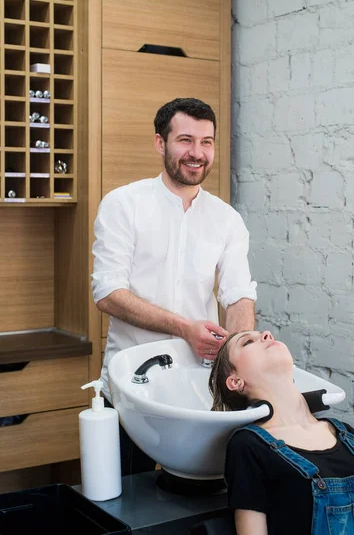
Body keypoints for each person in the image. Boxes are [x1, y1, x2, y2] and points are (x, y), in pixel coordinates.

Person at [91, 97, 257, 475]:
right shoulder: (123, 205)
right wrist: (184, 328)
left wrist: (243, 351)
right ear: (159, 143)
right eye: (185, 140)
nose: (196, 153)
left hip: (200, 386)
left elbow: (237, 294)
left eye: (206, 142)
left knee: (200, 499)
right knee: (131, 504)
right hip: (132, 386)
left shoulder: (227, 220)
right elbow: (107, 293)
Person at [209, 330, 354, 535]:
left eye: (264, 334)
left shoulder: (345, 434)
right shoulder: (248, 446)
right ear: (235, 382)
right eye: (247, 342)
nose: (266, 334)